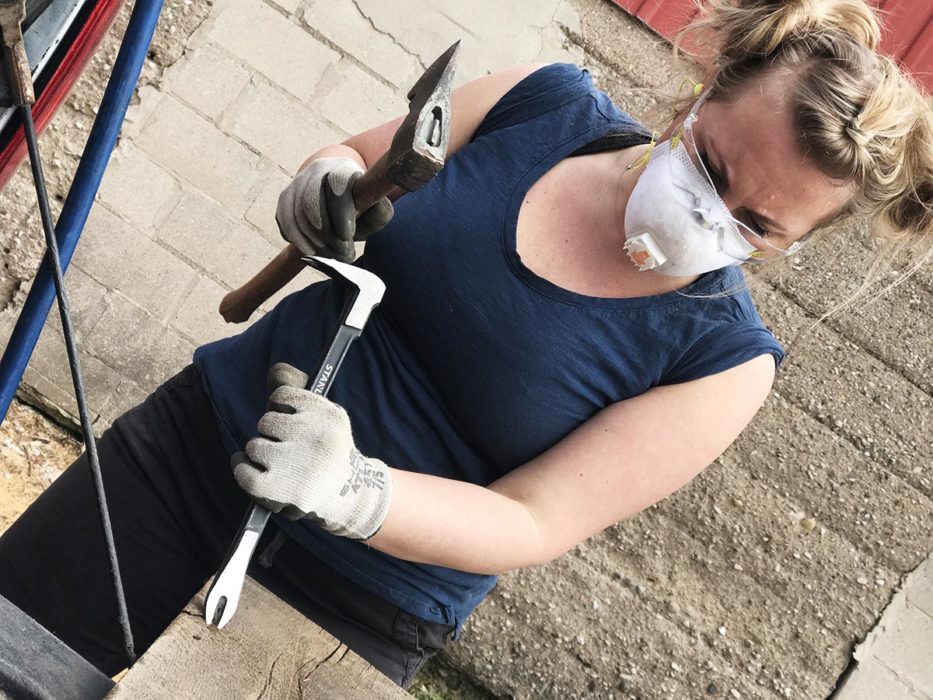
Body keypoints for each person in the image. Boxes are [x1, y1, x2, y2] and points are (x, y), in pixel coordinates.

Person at [1, 0, 930, 689]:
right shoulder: (542, 107)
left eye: (758, 226)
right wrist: (323, 185)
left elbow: (533, 522)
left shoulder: (722, 365)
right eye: (712, 168)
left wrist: (354, 488)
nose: (709, 217)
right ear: (699, 96)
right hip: (185, 459)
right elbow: (353, 160)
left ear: (800, 241)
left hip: (351, 607)